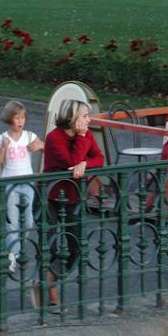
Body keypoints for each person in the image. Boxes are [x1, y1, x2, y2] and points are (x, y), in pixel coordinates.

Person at [41, 99, 105, 308]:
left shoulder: (86, 135)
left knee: (75, 248)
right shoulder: (54, 138)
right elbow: (70, 162)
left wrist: (86, 163)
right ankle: (51, 293)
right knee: (51, 246)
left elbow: (99, 158)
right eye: (85, 116)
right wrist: (81, 140)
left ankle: (47, 280)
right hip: (50, 198)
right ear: (72, 118)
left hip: (73, 198)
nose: (89, 120)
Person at [0, 100, 44, 273]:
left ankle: (17, 248)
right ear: (9, 119)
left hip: (27, 184)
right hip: (9, 184)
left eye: (23, 117)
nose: (20, 121)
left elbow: (46, 147)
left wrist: (40, 145)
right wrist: (3, 149)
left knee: (28, 221)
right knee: (13, 222)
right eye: (17, 118)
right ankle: (12, 255)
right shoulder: (1, 139)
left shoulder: (29, 136)